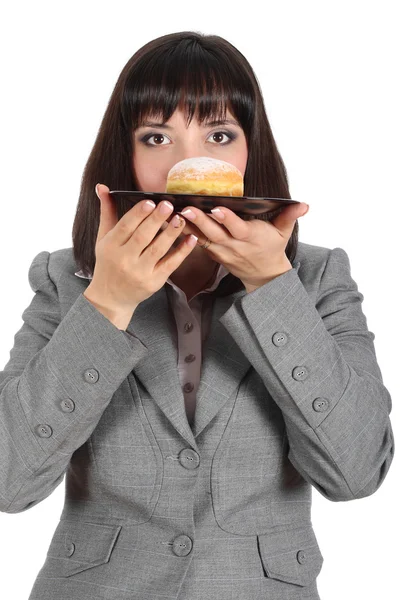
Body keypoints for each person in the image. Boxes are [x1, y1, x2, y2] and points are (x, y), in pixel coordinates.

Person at [0, 31, 394, 600]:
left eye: (219, 134)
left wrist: (272, 286)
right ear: (125, 156)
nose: (189, 163)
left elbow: (356, 474)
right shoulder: (66, 280)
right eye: (157, 136)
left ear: (249, 154)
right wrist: (107, 301)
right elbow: (10, 483)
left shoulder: (316, 277)